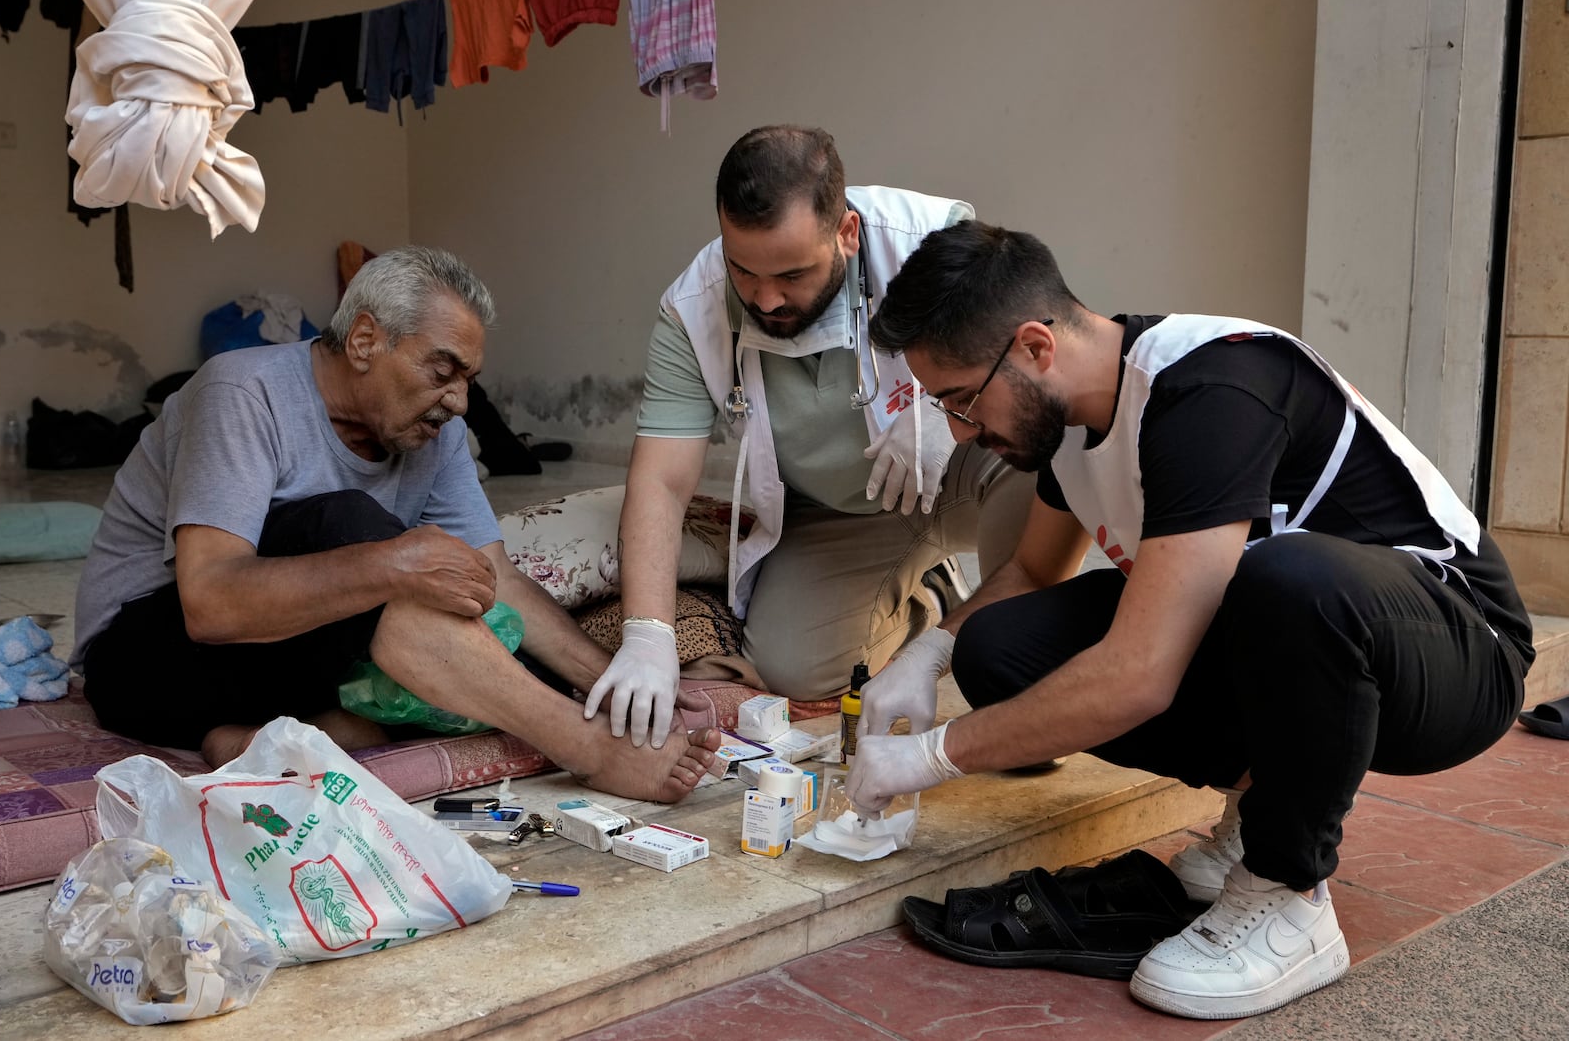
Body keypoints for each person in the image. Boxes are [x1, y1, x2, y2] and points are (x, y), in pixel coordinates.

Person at [847, 220, 1534, 1019]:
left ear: (1035, 346)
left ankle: (1288, 895)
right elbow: (1032, 570)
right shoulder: (1071, 421)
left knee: (1288, 577)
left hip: (1457, 652)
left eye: (963, 399)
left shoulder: (1210, 389)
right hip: (1313, 648)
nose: (964, 431)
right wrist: (929, 652)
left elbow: (1140, 674)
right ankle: (1263, 813)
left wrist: (933, 757)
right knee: (999, 647)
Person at [74, 246, 718, 803]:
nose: (458, 402)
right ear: (363, 341)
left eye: (468, 381)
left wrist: (614, 682)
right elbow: (209, 605)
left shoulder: (434, 432)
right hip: (146, 659)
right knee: (357, 529)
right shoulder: (244, 394)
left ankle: (250, 736)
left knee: (506, 659)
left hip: (282, 656)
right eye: (441, 374)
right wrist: (392, 565)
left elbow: (496, 578)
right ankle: (591, 751)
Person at [583, 125, 1037, 749]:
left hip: (963, 467)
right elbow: (661, 480)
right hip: (838, 512)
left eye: (793, 274)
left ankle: (1002, 652)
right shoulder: (694, 307)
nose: (767, 298)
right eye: (744, 270)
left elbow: (1028, 382)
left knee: (1035, 475)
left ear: (846, 234)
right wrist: (648, 634)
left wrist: (938, 416)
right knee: (793, 667)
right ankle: (925, 593)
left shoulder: (925, 238)